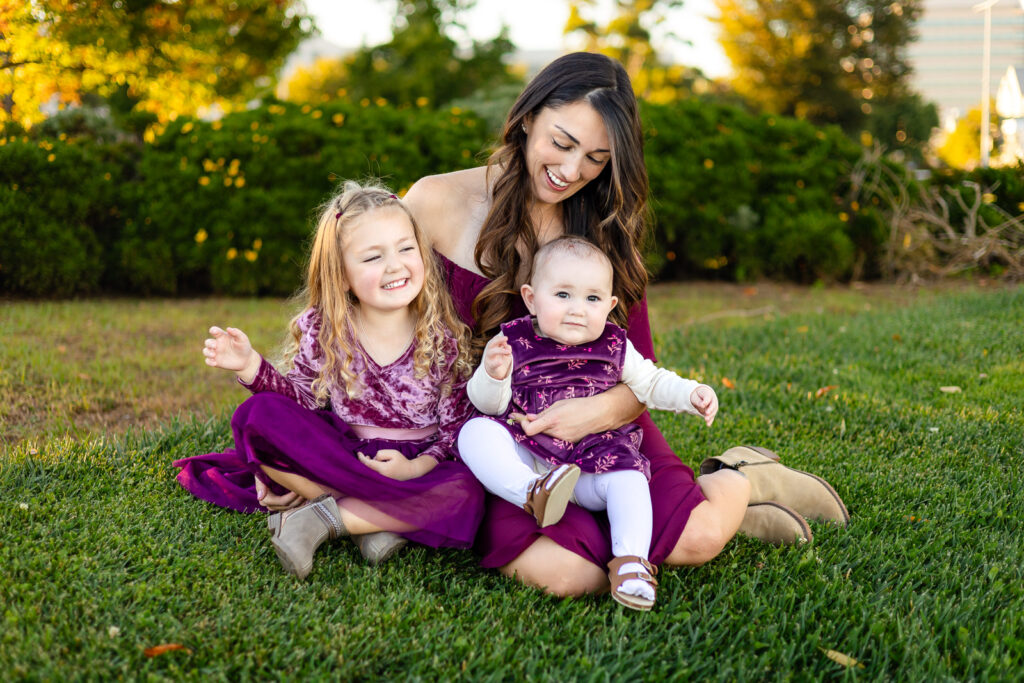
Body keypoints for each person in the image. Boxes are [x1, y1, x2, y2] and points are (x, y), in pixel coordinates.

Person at [404, 51, 849, 596]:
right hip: (506, 441)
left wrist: (585, 416)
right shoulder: (433, 201)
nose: (571, 171)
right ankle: (618, 514)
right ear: (527, 118)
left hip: (603, 428)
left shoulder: (603, 230)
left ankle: (737, 477)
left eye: (595, 157)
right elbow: (366, 323)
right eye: (561, 143)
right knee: (572, 578)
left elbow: (635, 372)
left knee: (698, 541)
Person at [174, 180, 485, 580]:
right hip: (345, 455)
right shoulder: (326, 329)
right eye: (372, 257)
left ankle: (322, 519)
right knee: (257, 417)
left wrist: (415, 469)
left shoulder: (441, 335)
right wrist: (251, 365)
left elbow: (455, 430)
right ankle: (381, 521)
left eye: (406, 249)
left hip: (417, 465)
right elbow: (300, 401)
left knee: (468, 492)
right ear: (341, 276)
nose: (395, 265)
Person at [461, 236, 720, 611]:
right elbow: (488, 403)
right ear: (531, 298)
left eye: (592, 299)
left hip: (591, 464)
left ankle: (631, 563)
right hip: (528, 455)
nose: (577, 310)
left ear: (611, 305)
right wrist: (493, 374)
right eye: (562, 295)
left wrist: (691, 393)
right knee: (476, 432)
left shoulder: (614, 344)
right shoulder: (514, 340)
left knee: (629, 479)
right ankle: (531, 494)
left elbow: (651, 382)